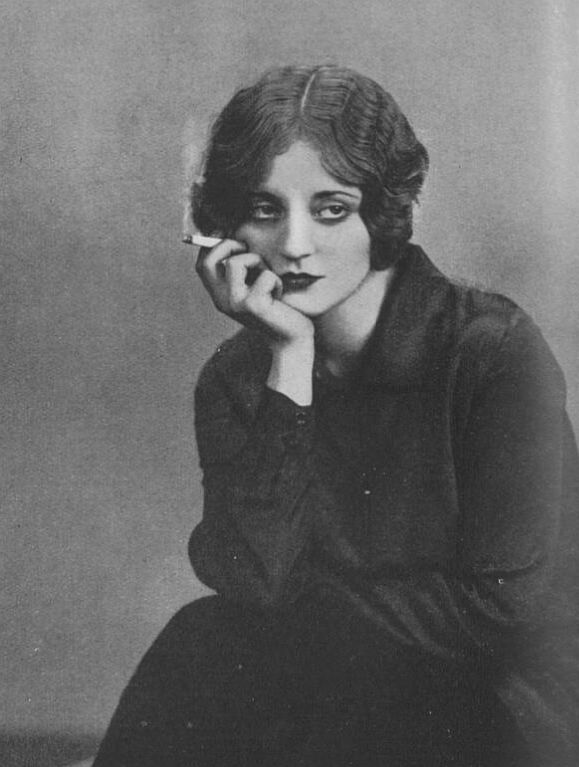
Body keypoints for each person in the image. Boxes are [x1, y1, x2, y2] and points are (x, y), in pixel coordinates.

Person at [94, 65, 579, 767]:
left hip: (511, 700)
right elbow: (255, 583)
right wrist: (288, 357)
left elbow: (500, 611)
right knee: (204, 638)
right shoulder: (236, 377)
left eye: (329, 209)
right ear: (225, 227)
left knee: (309, 678)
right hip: (347, 682)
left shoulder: (491, 351)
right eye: (265, 210)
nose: (294, 244)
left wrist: (315, 603)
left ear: (379, 211)